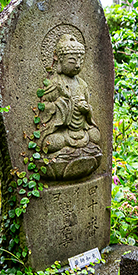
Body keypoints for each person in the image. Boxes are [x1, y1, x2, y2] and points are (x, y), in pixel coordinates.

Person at [37, 32, 102, 179]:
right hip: (63, 134)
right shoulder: (55, 83)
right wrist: (63, 105)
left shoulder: (82, 85)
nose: (78, 65)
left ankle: (79, 156)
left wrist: (87, 111)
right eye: (72, 61)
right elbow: (44, 107)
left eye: (80, 60)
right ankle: (73, 157)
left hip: (81, 131)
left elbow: (88, 111)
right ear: (59, 60)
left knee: (95, 136)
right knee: (51, 143)